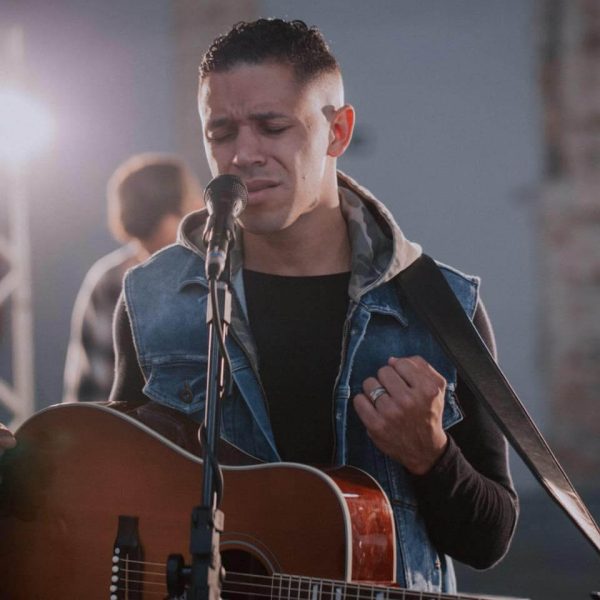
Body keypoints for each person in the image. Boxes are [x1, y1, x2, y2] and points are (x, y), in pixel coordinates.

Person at [1, 19, 518, 593]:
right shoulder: (152, 299)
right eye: (221, 133)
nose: (243, 155)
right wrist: (17, 474)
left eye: (273, 127)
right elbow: (114, 498)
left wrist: (431, 455)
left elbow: (488, 540)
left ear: (338, 132)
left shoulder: (440, 308)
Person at [62, 153, 203, 403]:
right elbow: (94, 386)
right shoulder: (109, 283)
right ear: (180, 207)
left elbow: (91, 391)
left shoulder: (107, 278)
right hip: (124, 426)